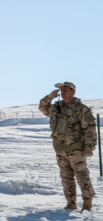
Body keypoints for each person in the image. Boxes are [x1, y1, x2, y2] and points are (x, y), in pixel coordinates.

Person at [39, 82, 97, 211]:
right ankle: (71, 203)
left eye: (66, 89)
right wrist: (50, 97)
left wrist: (89, 147)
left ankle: (87, 204)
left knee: (82, 175)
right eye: (61, 90)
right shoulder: (56, 107)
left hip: (76, 149)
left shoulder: (81, 108)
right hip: (60, 149)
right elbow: (42, 108)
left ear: (73, 92)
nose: (63, 92)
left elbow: (90, 129)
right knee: (66, 177)